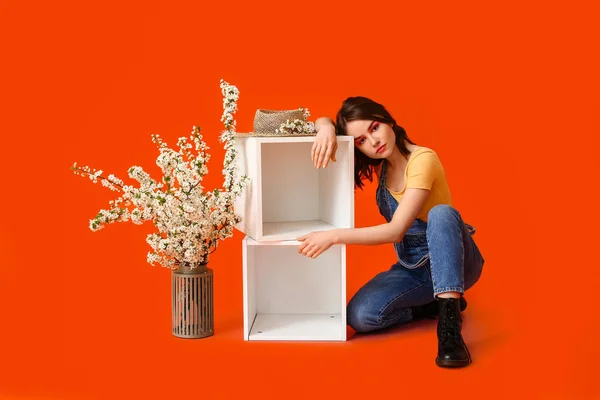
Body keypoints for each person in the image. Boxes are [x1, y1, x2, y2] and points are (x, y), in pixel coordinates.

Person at [296, 96, 485, 368]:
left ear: (388, 120)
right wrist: (325, 126)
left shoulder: (423, 159)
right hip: (415, 268)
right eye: (361, 140)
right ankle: (431, 305)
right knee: (360, 316)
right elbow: (325, 122)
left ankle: (450, 332)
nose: (373, 142)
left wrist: (334, 236)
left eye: (374, 128)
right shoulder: (384, 170)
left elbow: (396, 231)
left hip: (457, 261)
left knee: (441, 214)